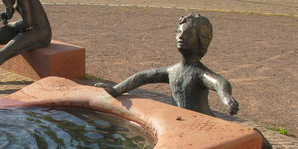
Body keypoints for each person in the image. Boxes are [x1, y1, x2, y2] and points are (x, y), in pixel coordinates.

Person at [97, 14, 238, 116]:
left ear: (201, 40)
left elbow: (219, 82)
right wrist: (115, 90)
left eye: (188, 34)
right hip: (181, 121)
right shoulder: (173, 71)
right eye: (178, 32)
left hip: (202, 123)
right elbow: (143, 77)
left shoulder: (198, 73)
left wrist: (226, 99)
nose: (181, 37)